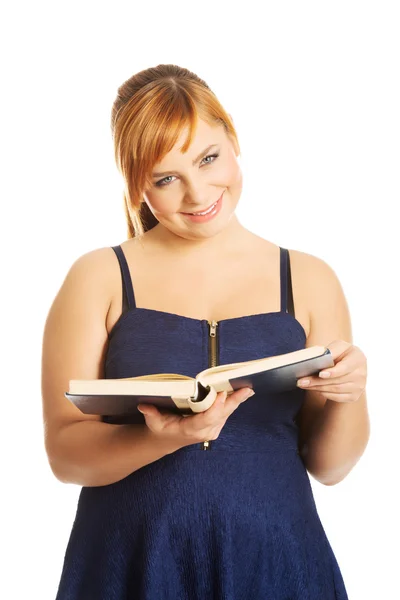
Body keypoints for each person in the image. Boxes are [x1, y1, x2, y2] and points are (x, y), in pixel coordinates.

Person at [42, 64, 369, 599]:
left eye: (208, 158)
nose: (197, 194)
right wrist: (162, 439)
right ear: (136, 185)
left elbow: (331, 467)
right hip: (132, 563)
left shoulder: (308, 277)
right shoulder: (98, 277)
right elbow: (65, 452)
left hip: (278, 564)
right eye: (166, 179)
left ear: (233, 139)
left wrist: (349, 394)